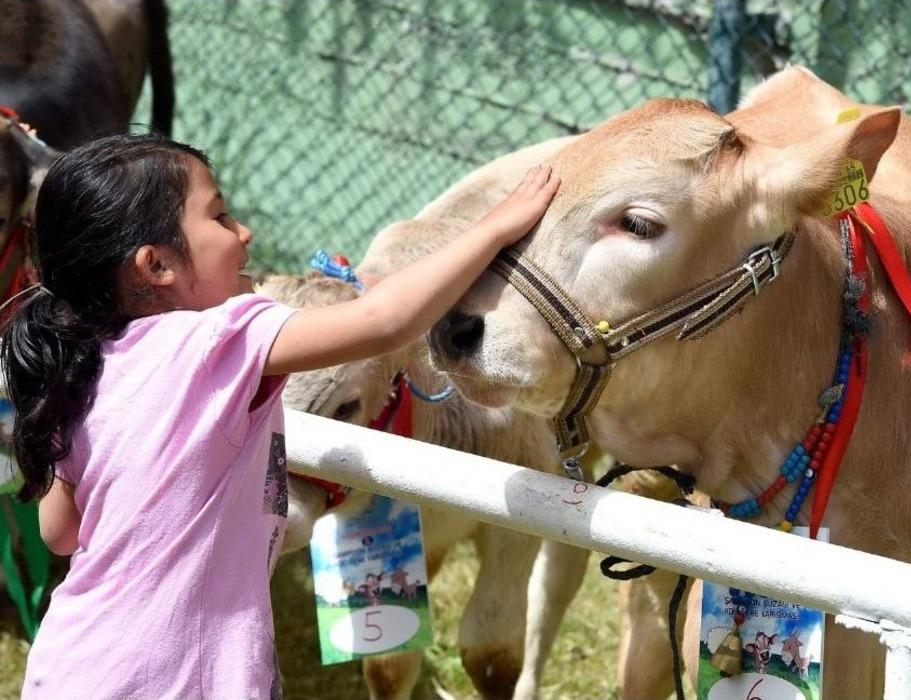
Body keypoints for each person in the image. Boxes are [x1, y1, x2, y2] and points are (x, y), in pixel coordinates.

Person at [1, 133, 559, 699]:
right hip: (185, 678)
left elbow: (60, 532)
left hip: (71, 665)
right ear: (157, 265)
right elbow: (384, 321)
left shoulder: (81, 369)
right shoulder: (218, 338)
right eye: (220, 217)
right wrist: (497, 227)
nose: (244, 232)